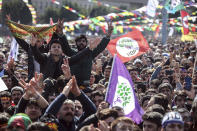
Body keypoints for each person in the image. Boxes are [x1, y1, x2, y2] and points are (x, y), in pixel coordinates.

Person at [53, 20, 113, 86]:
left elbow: (100, 47)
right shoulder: (72, 53)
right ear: (76, 43)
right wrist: (61, 33)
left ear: (87, 43)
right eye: (79, 41)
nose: (81, 42)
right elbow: (65, 46)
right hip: (73, 84)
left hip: (86, 84)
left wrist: (108, 36)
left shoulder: (90, 53)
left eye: (83, 41)